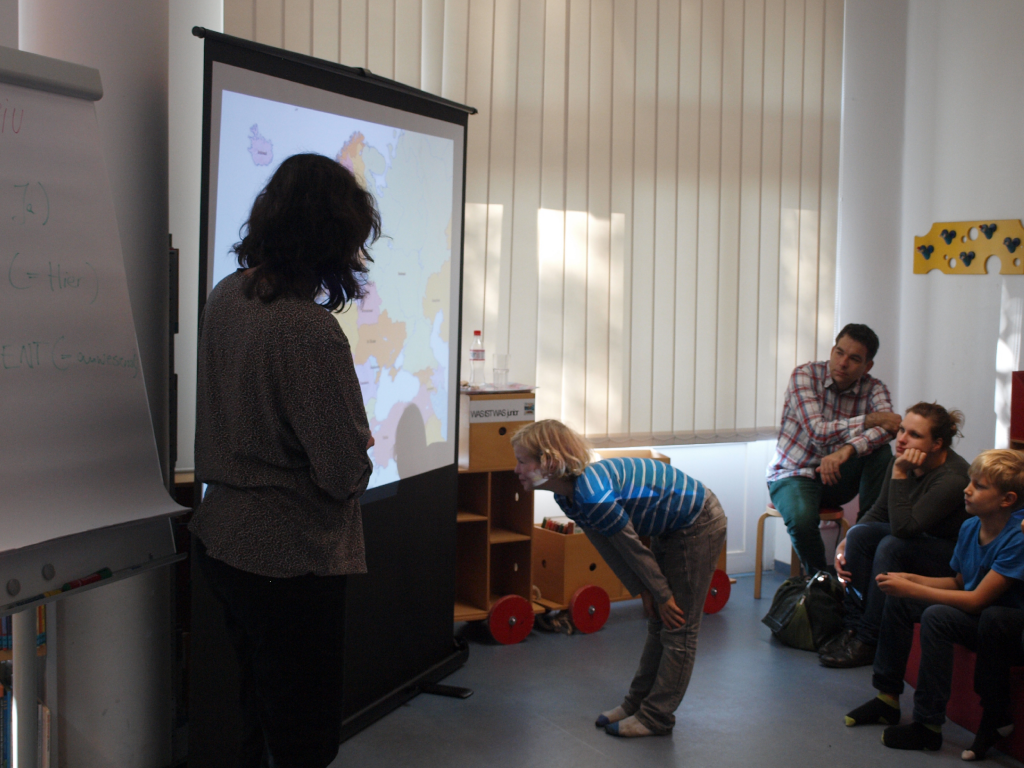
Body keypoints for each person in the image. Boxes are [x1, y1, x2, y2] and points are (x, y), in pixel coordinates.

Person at [190, 153, 380, 768]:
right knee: (302, 737)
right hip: (290, 560)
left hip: (223, 541)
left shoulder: (227, 294)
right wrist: (356, 451)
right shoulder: (309, 331)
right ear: (331, 238)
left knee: (252, 715)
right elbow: (343, 472)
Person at [511, 420, 727, 739]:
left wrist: (662, 593)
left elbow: (632, 548)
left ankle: (656, 717)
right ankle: (636, 704)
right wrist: (643, 589)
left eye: (522, 461)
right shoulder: (567, 497)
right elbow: (607, 547)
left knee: (678, 625)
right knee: (658, 621)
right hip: (671, 527)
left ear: (550, 462)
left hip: (698, 522)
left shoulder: (593, 495)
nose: (516, 469)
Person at [843, 449, 1024, 755]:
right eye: (970, 481)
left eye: (979, 486)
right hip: (976, 615)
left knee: (936, 615)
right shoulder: (970, 527)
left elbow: (977, 601)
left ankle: (928, 725)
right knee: (901, 602)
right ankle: (887, 698)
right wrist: (911, 580)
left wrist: (913, 589)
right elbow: (958, 583)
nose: (967, 490)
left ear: (1007, 499)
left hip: (998, 626)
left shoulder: (1016, 539)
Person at [819, 403, 970, 668]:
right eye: (902, 430)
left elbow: (904, 528)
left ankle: (869, 639)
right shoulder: (902, 460)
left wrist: (900, 472)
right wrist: (846, 542)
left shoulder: (953, 477)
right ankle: (852, 626)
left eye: (914, 435)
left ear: (937, 444)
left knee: (892, 545)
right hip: (915, 541)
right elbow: (879, 512)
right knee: (861, 535)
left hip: (948, 556)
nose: (901, 439)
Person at [767, 323, 902, 575]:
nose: (843, 363)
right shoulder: (805, 375)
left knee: (883, 454)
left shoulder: (874, 388)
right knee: (802, 520)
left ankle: (861, 541)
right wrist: (870, 420)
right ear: (832, 351)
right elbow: (818, 432)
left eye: (854, 359)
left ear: (867, 366)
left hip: (836, 475)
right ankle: (821, 582)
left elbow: (890, 428)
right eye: (839, 353)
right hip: (794, 473)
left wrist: (847, 450)